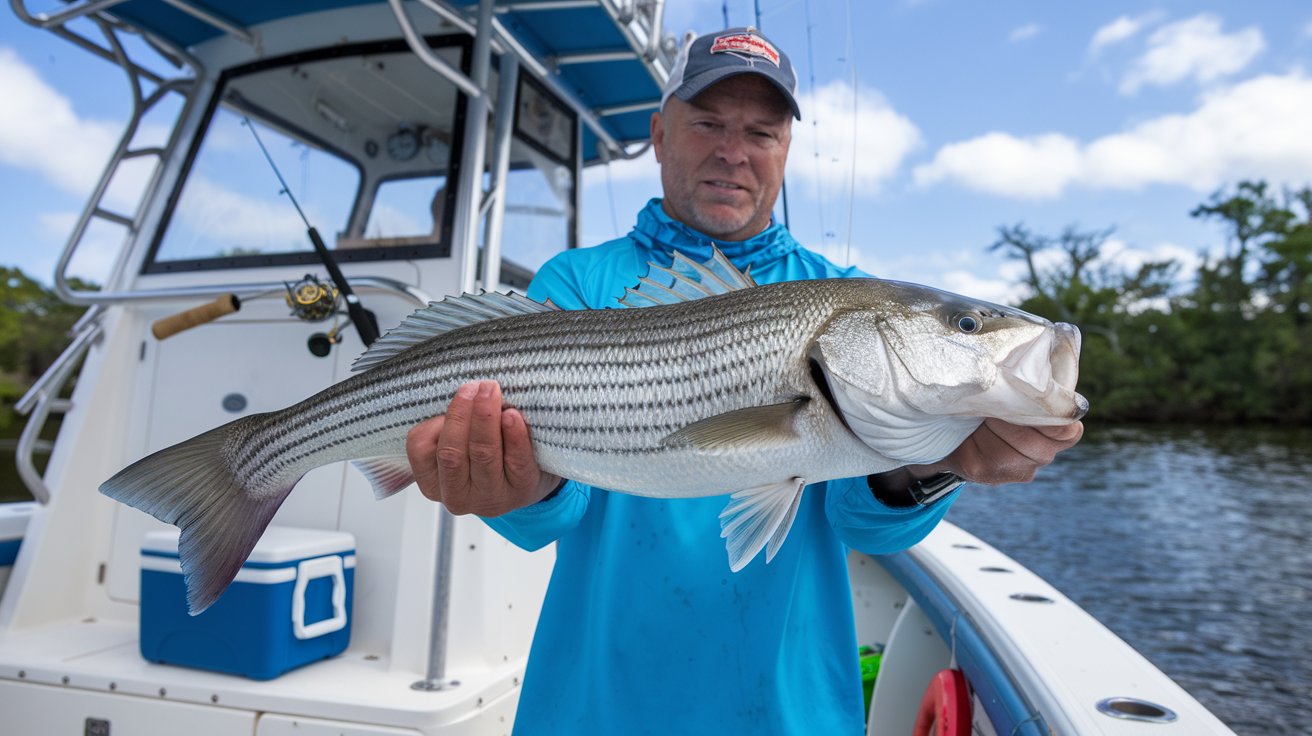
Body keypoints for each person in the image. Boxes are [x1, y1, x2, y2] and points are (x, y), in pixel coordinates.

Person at [406, 27, 1083, 735]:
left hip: (790, 709)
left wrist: (936, 461)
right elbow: (556, 512)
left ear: (786, 152)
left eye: (762, 132)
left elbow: (866, 526)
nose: (733, 151)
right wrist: (513, 488)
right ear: (660, 134)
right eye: (707, 123)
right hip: (596, 702)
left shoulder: (841, 291)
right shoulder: (577, 283)